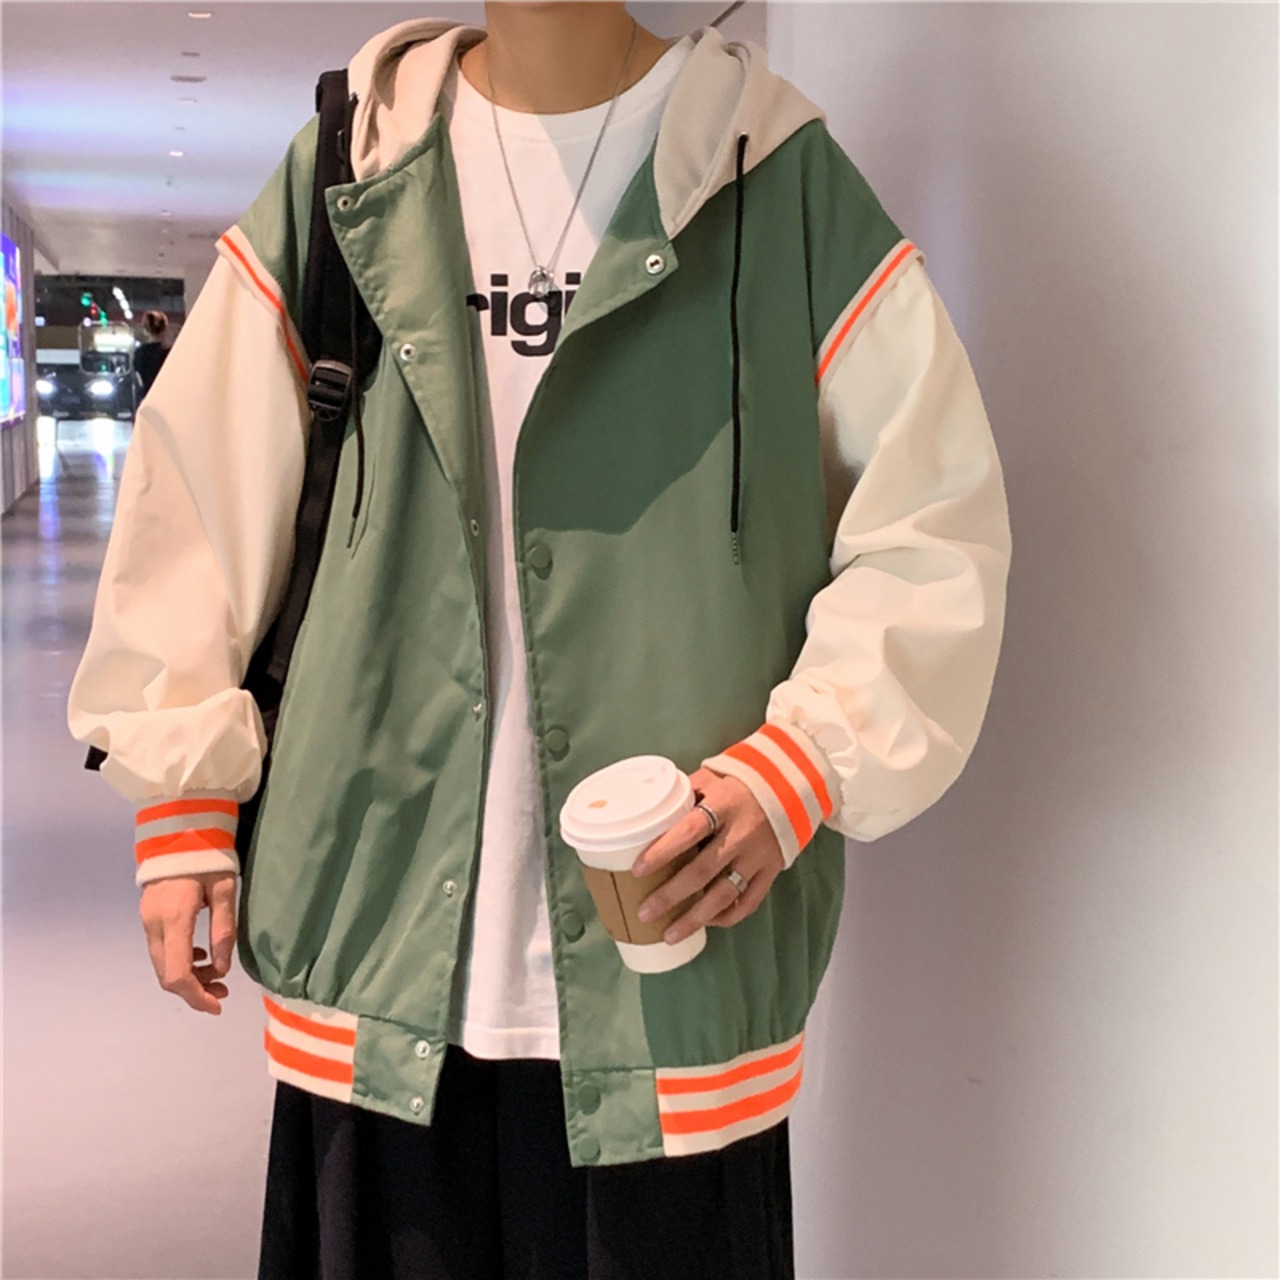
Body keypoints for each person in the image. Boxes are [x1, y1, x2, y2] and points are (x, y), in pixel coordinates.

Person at [66, 4, 1012, 1277]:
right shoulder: (353, 164)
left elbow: (932, 525)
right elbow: (201, 487)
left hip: (671, 961)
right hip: (375, 925)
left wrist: (797, 767)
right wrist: (181, 787)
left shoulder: (774, 177)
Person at [132, 309, 169, 400]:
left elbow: (138, 377)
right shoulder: (170, 353)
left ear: (146, 329)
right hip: (167, 396)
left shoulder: (139, 353)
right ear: (165, 328)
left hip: (148, 396)